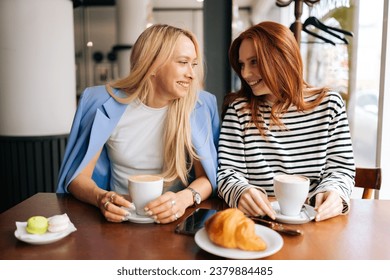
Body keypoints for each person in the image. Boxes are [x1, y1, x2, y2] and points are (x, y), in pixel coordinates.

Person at [57, 24, 220, 224]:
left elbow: (208, 178)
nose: (192, 74)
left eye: (193, 64)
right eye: (183, 62)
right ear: (153, 65)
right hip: (119, 219)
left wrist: (184, 199)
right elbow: (77, 178)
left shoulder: (201, 105)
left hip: (177, 219)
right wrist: (102, 198)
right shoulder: (100, 102)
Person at [217, 21, 355, 222]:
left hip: (315, 220)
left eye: (254, 62)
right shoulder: (238, 110)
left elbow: (341, 170)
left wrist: (334, 193)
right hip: (258, 221)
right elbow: (228, 173)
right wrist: (240, 191)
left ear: (281, 58)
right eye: (242, 64)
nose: (245, 74)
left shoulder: (329, 104)